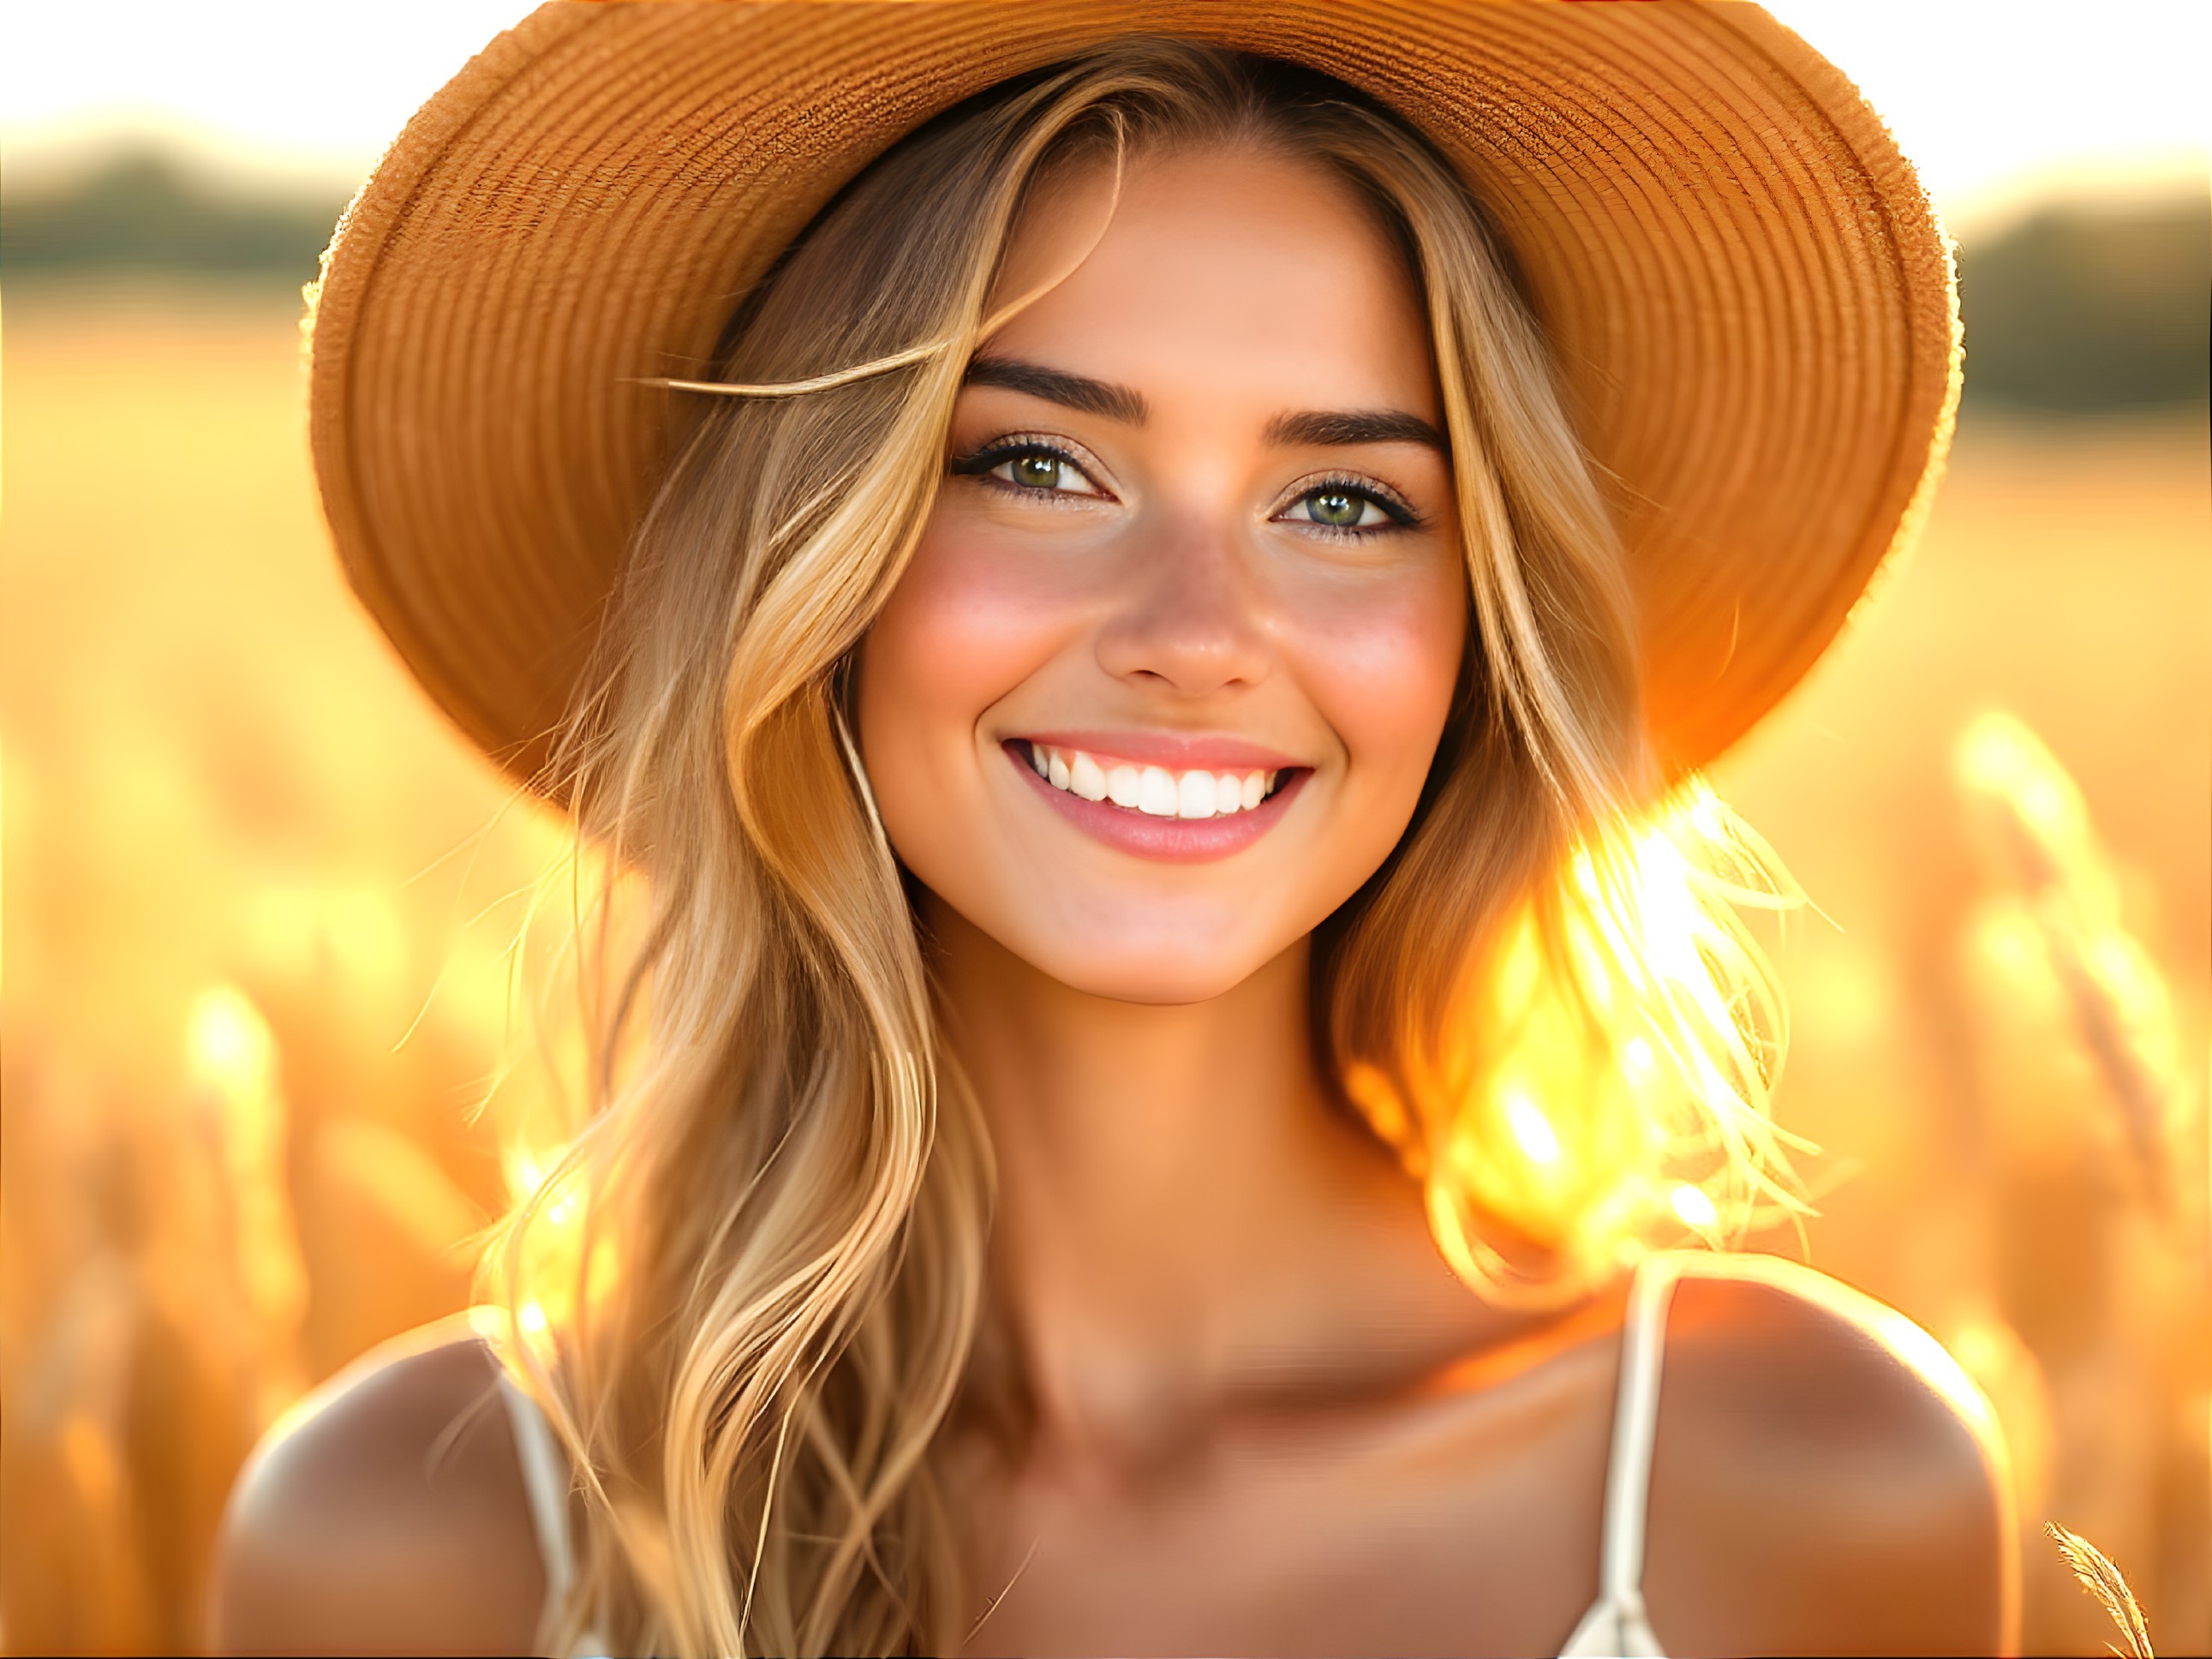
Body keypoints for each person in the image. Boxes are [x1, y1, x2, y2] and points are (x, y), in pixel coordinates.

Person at [214, 7, 2014, 1656]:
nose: (1197, 632)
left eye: (1342, 499)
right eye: (1035, 463)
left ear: (1480, 632)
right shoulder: (414, 1543)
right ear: (804, 558)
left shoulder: (1797, 1490)